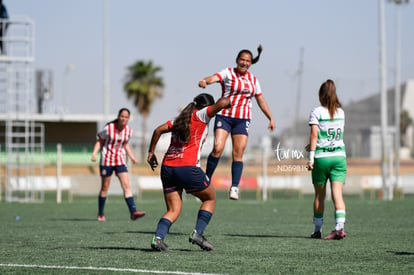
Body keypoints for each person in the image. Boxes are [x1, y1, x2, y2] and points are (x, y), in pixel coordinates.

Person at [147, 93, 231, 252]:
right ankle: (198, 234)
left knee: (173, 210)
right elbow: (223, 102)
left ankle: (158, 238)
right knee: (210, 198)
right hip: (187, 168)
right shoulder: (202, 115)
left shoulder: (180, 120)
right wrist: (229, 103)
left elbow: (158, 130)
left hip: (168, 168)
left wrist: (151, 153)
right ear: (207, 107)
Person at [198, 45, 275, 200]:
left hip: (242, 119)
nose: (244, 63)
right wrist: (205, 81)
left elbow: (260, 99)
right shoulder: (228, 73)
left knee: (238, 153)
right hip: (224, 116)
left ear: (250, 63)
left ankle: (234, 187)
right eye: (242, 60)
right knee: (218, 148)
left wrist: (270, 117)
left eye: (247, 61)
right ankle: (206, 179)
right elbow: (214, 78)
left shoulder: (254, 80)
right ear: (237, 60)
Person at [306, 79, 347, 240]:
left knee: (319, 196)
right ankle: (339, 227)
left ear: (320, 95)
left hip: (322, 157)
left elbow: (314, 135)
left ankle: (317, 230)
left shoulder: (316, 112)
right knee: (337, 194)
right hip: (339, 157)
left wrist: (310, 158)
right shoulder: (341, 112)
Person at [91, 108, 146, 222]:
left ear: (128, 119)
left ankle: (133, 212)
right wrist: (94, 154)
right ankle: (100, 213)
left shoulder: (128, 131)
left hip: (120, 160)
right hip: (107, 160)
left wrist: (132, 157)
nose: (124, 119)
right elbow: (99, 141)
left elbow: (125, 144)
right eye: (122, 116)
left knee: (126, 186)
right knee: (105, 188)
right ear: (118, 116)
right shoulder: (109, 129)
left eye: (126, 117)